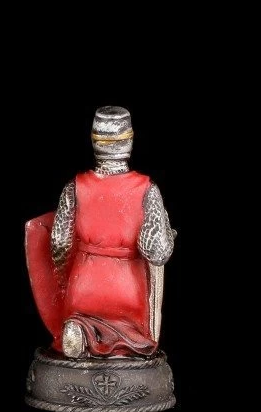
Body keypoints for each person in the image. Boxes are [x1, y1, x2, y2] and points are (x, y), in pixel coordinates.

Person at [27, 107, 175, 357]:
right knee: (130, 332)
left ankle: (81, 331)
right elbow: (157, 252)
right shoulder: (147, 190)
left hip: (84, 284)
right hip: (127, 289)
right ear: (129, 140)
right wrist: (168, 233)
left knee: (80, 315)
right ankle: (125, 346)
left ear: (94, 141)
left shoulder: (75, 187)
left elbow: (60, 243)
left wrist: (64, 279)